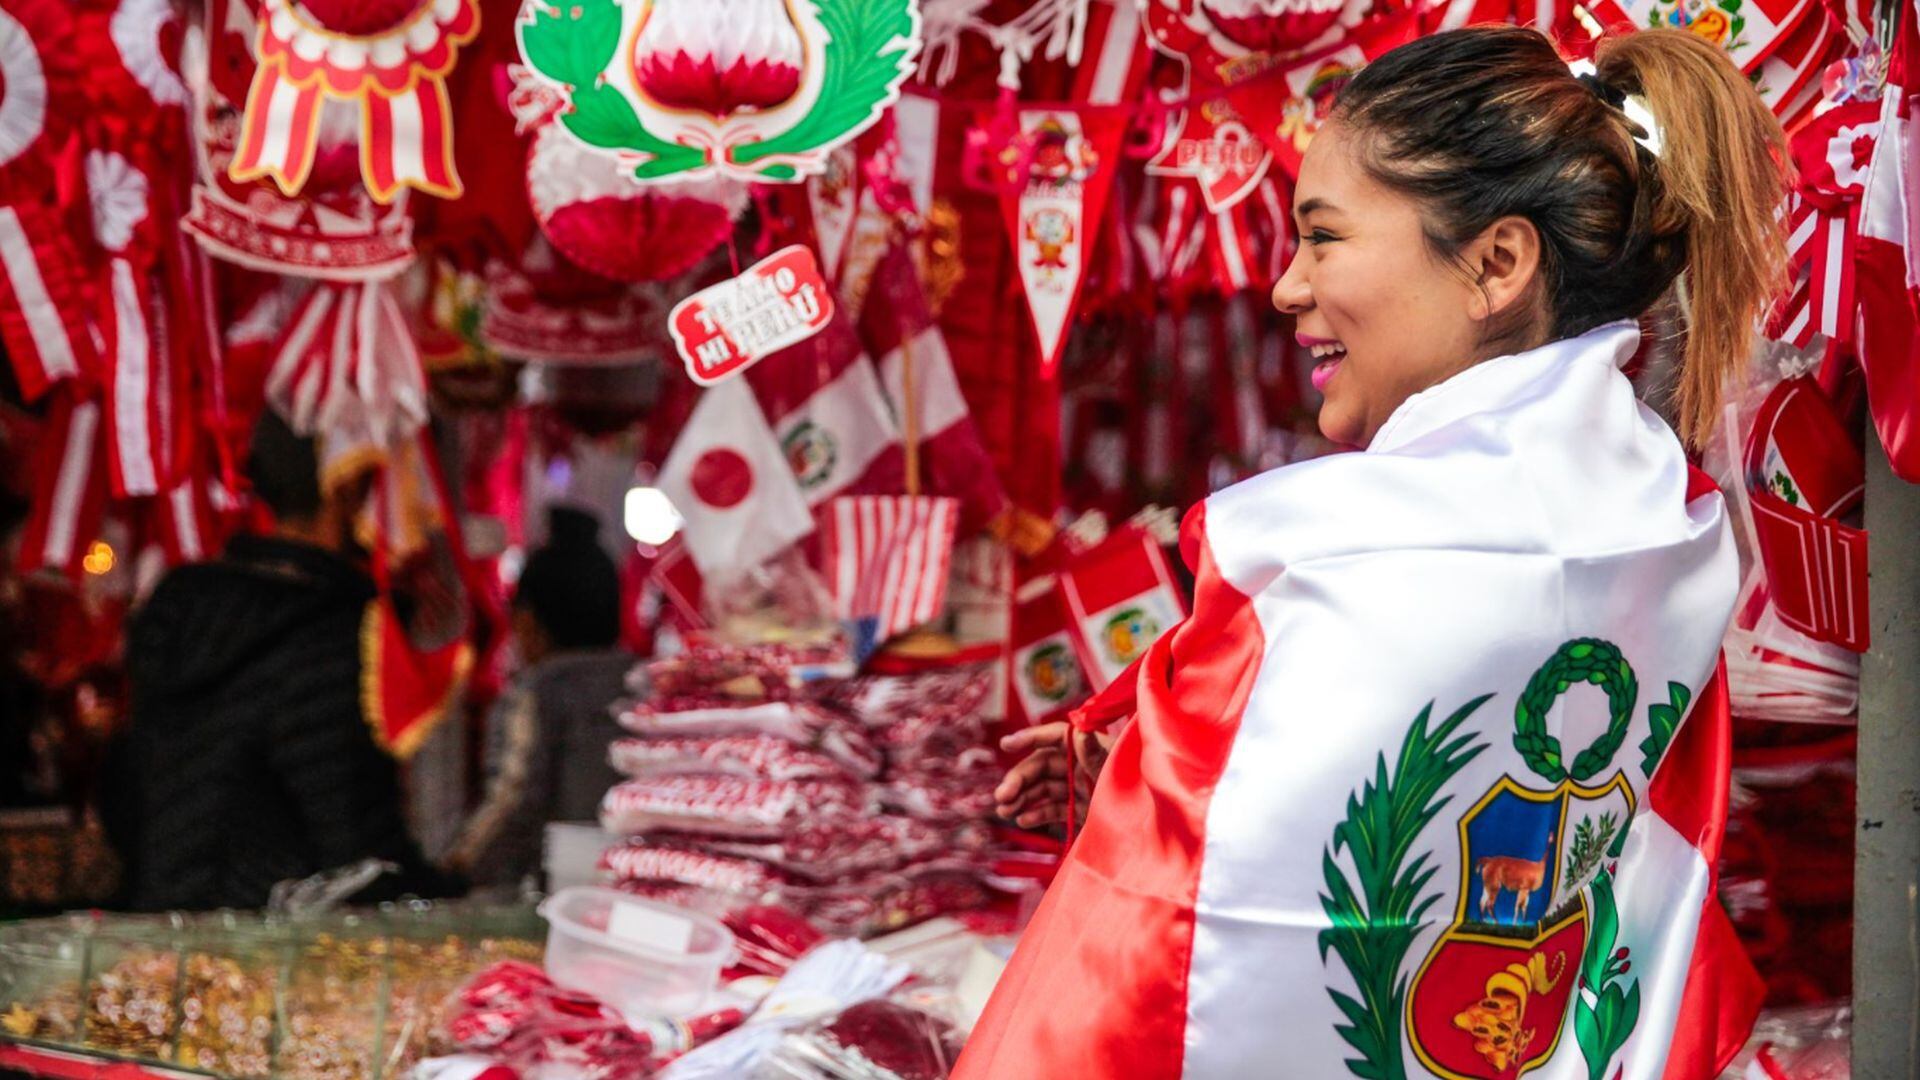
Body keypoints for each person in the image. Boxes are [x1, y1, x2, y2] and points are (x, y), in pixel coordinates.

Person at [965, 26, 1783, 1079]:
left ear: (1495, 263)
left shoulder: (1352, 560)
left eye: (1324, 238)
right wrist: (1154, 736)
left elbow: (1170, 936)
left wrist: (1166, 755)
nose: (1286, 288)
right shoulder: (1661, 522)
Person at [102, 412, 459, 910]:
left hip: (161, 932)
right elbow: (356, 854)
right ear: (349, 482)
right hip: (269, 956)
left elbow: (126, 789)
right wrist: (449, 895)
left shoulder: (179, 609)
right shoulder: (332, 631)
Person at [443, 506, 632, 891]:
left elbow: (512, 800)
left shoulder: (538, 692)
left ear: (527, 623)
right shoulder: (646, 687)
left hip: (567, 891)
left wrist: (455, 869)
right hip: (643, 880)